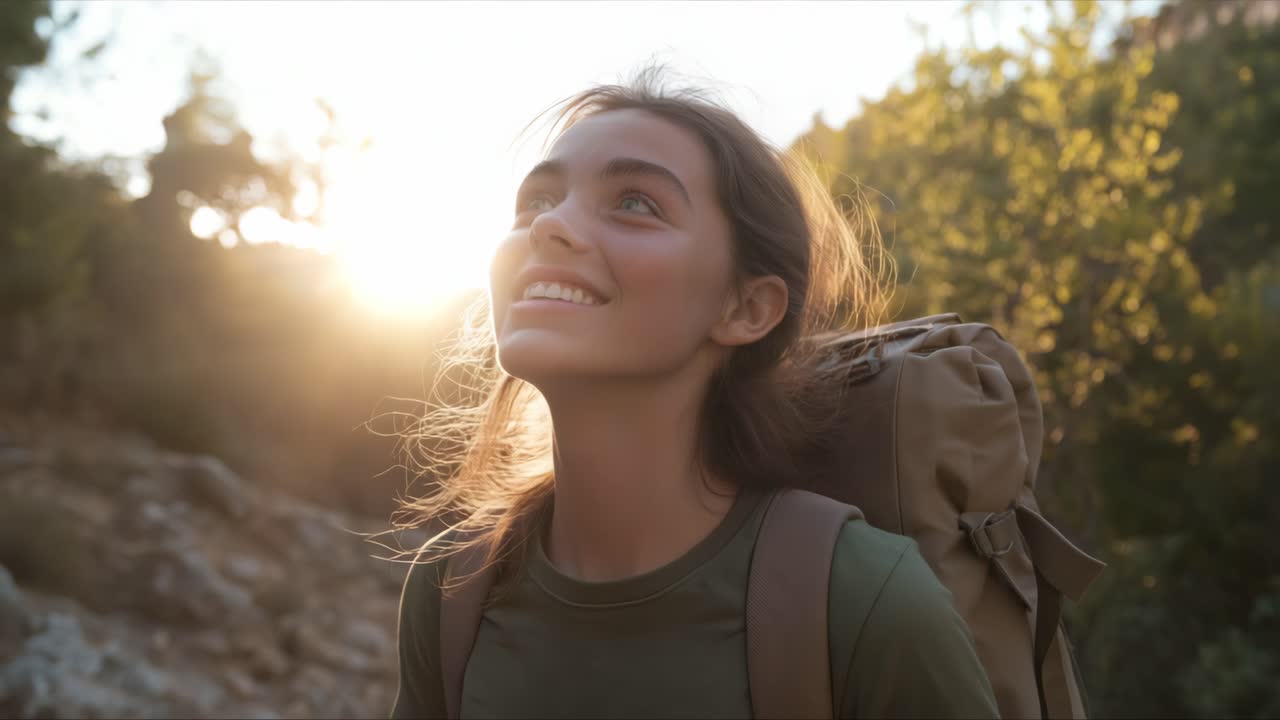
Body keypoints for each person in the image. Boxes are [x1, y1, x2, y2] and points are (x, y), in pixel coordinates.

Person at [388, 64, 1000, 719]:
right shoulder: (451, 589)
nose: (549, 225)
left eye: (635, 203)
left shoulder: (867, 603)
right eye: (537, 200)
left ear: (746, 308)